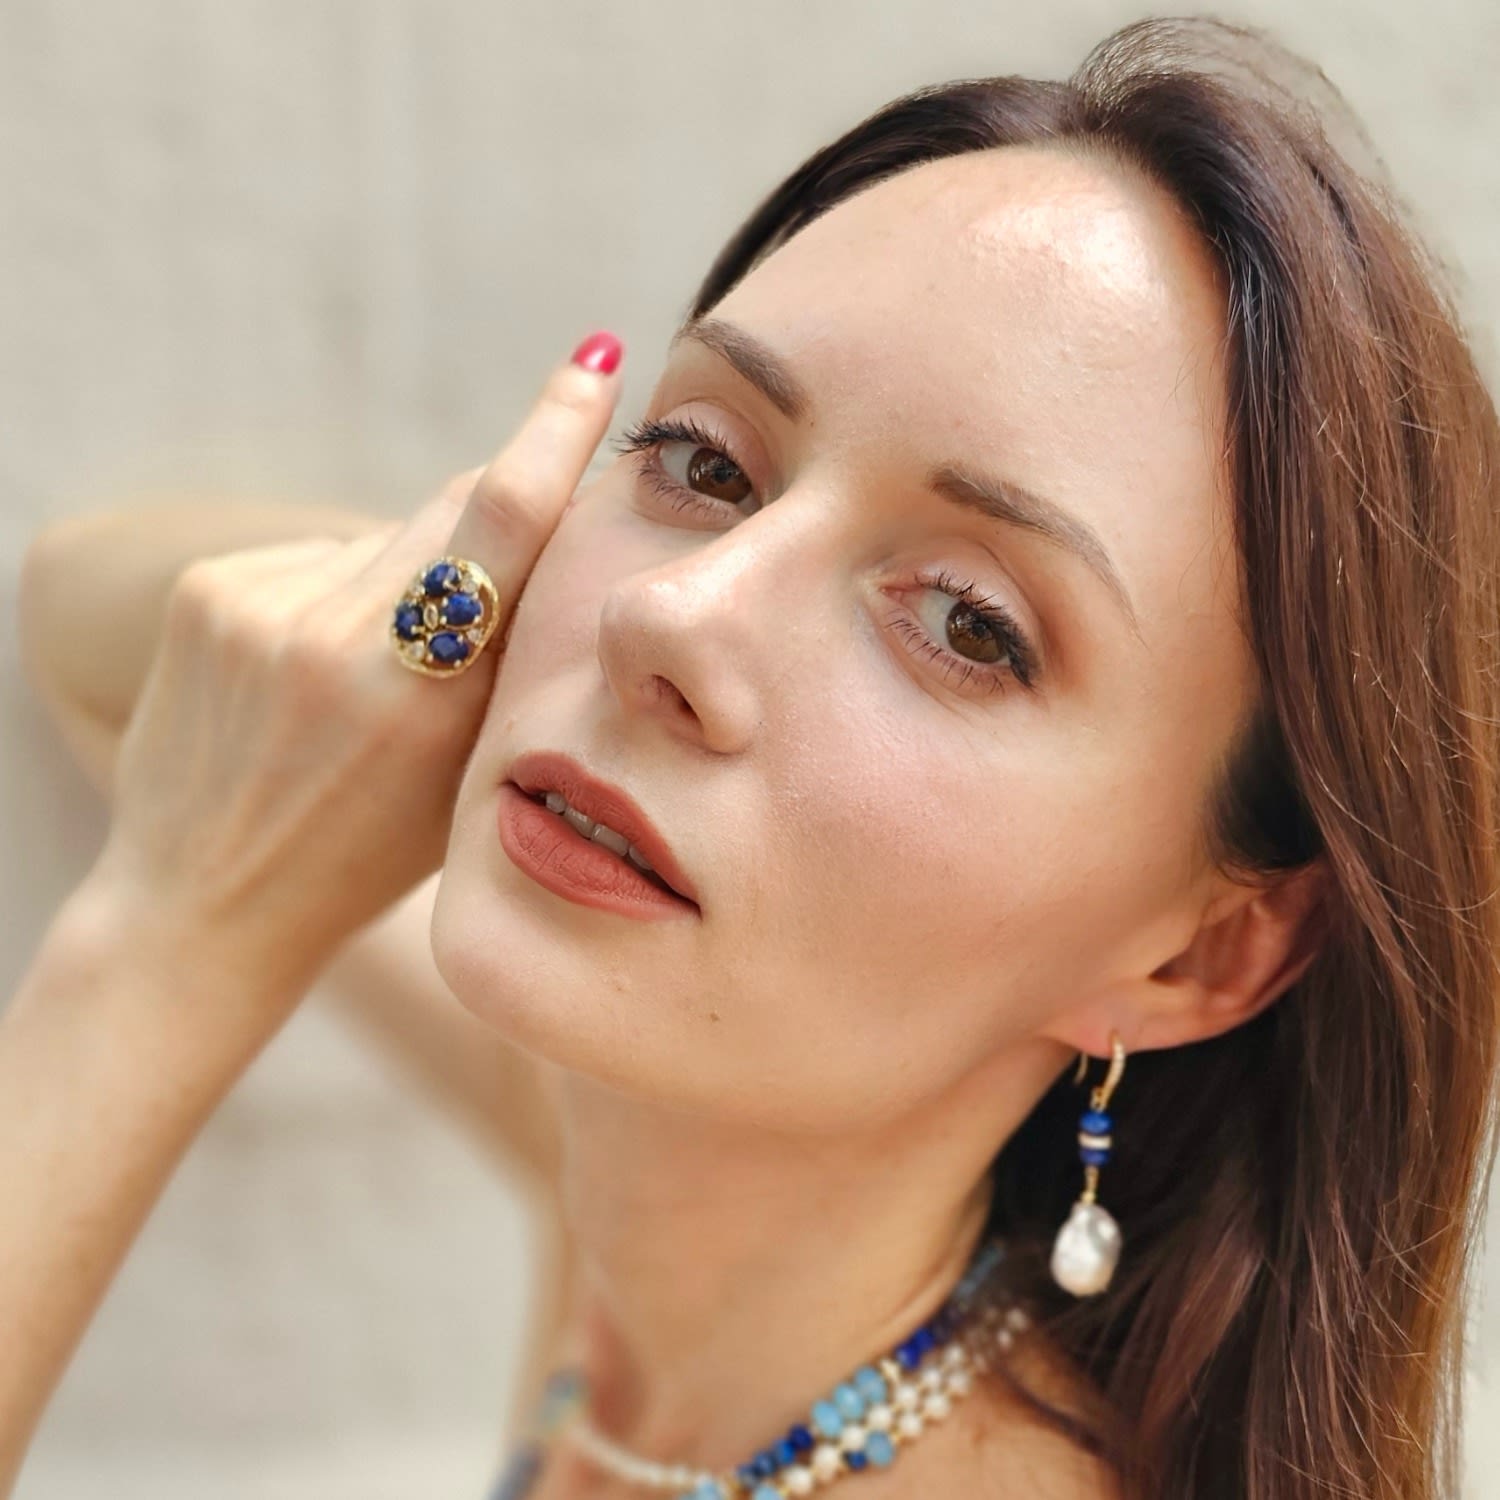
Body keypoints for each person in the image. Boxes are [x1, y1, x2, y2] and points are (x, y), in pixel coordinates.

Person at [7, 14, 1499, 1500]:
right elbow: (97, 606)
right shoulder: (655, 1181)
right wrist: (438, 638)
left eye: (970, 625)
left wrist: (174, 934)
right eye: (705, 461)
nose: (672, 611)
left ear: (1205, 959)